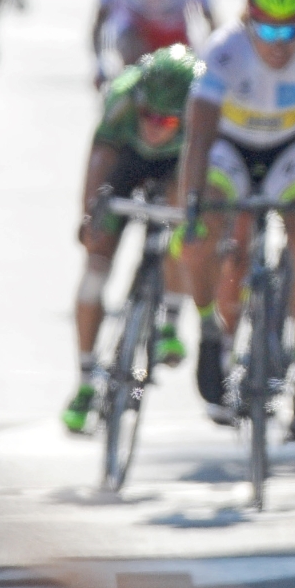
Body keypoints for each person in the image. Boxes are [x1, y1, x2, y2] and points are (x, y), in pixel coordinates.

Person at [178, 0, 295, 441]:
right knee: (205, 227)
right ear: (248, 20)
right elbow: (199, 134)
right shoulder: (225, 49)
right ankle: (211, 332)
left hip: (289, 149)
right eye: (267, 27)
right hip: (230, 147)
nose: (278, 41)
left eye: (290, 28)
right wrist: (192, 204)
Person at [62, 46, 201, 433]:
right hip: (126, 160)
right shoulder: (123, 94)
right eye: (148, 116)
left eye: (168, 121)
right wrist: (90, 215)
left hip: (180, 163)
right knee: (94, 270)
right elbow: (99, 158)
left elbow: (202, 177)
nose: (156, 126)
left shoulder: (204, 104)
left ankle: (170, 322)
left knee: (184, 222)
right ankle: (86, 380)